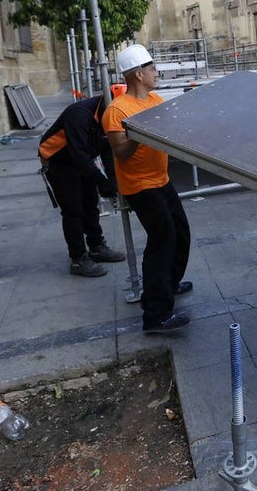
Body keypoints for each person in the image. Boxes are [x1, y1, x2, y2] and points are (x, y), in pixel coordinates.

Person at [102, 44, 192, 334]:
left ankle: (170, 283)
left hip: (161, 179)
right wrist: (138, 133)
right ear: (138, 74)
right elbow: (121, 154)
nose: (157, 73)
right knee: (162, 238)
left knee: (181, 232)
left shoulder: (156, 100)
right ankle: (155, 315)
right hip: (139, 185)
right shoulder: (117, 110)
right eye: (153, 69)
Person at [38, 94, 126, 277]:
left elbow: (106, 151)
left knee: (90, 204)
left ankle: (96, 246)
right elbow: (78, 154)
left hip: (81, 159)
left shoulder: (107, 114)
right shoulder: (79, 115)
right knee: (73, 210)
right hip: (59, 162)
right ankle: (78, 259)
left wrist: (111, 181)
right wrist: (100, 180)